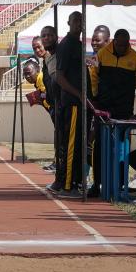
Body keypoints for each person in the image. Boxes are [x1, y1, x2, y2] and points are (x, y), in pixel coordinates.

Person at [89, 29, 136, 194]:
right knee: (99, 146)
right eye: (118, 44)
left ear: (128, 43)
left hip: (124, 108)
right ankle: (97, 183)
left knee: (121, 147)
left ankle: (119, 184)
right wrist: (96, 94)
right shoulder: (103, 54)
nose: (120, 47)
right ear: (114, 41)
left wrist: (124, 92)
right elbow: (94, 74)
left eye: (124, 45)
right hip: (103, 107)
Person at [49, 12, 90, 198]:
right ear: (68, 23)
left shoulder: (78, 44)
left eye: (81, 20)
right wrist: (79, 95)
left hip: (78, 103)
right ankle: (67, 186)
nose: (79, 24)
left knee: (76, 143)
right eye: (75, 20)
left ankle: (67, 181)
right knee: (72, 144)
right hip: (72, 103)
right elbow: (59, 76)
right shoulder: (67, 45)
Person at [40, 26, 60, 174]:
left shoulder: (60, 54)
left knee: (65, 142)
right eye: (43, 36)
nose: (46, 38)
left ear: (56, 36)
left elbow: (61, 80)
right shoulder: (47, 59)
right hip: (55, 105)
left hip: (65, 104)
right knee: (59, 138)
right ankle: (59, 168)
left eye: (49, 35)